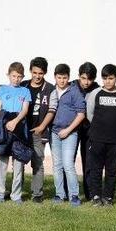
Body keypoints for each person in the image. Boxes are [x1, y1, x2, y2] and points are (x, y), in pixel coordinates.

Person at [85, 64, 116, 207]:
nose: (107, 81)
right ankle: (96, 196)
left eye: (110, 78)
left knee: (112, 170)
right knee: (96, 169)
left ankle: (108, 197)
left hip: (115, 140)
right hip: (97, 138)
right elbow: (90, 113)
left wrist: (115, 125)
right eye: (105, 78)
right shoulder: (96, 93)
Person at [0, 62, 31, 203]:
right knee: (1, 163)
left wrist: (15, 121)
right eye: (14, 76)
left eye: (19, 76)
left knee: (19, 164)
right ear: (8, 75)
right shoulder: (2, 90)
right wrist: (6, 121)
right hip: (4, 127)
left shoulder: (25, 91)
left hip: (19, 128)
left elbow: (25, 109)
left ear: (23, 77)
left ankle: (16, 195)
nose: (16, 79)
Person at [47, 63, 86, 205]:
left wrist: (68, 130)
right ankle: (59, 195)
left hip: (70, 133)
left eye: (64, 78)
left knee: (68, 164)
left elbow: (81, 114)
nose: (62, 81)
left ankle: (74, 195)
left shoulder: (74, 91)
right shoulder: (52, 91)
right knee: (57, 165)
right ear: (55, 77)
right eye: (59, 78)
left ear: (69, 78)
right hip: (55, 133)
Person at [20, 57, 55, 203]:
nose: (37, 76)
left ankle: (37, 194)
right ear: (30, 71)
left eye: (40, 73)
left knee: (37, 163)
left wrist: (42, 127)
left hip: (39, 132)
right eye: (34, 72)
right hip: (21, 131)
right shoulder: (23, 85)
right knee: (18, 162)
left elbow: (52, 110)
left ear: (45, 73)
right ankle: (17, 192)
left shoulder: (50, 89)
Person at [71, 62, 99, 198]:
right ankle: (66, 191)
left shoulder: (97, 89)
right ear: (78, 76)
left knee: (88, 162)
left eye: (89, 79)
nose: (86, 82)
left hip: (89, 131)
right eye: (83, 78)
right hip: (72, 129)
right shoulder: (71, 86)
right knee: (68, 160)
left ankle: (89, 192)